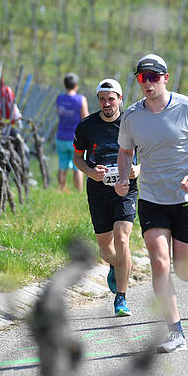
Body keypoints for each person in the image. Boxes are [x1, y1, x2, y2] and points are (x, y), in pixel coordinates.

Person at [115, 54, 188, 353]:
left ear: (165, 78)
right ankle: (175, 332)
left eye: (153, 77)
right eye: (142, 78)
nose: (147, 83)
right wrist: (124, 178)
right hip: (152, 198)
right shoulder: (133, 116)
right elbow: (125, 151)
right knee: (159, 262)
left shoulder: (187, 108)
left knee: (185, 268)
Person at [72, 79, 139, 317]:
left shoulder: (132, 123)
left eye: (111, 99)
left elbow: (148, 153)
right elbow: (77, 157)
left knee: (122, 239)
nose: (106, 103)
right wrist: (90, 172)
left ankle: (121, 298)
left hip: (125, 191)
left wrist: (138, 170)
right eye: (102, 99)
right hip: (98, 193)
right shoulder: (86, 126)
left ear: (120, 99)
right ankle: (114, 264)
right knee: (106, 250)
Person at [55, 73, 89, 192]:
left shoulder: (60, 98)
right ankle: (78, 191)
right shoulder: (81, 99)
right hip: (75, 138)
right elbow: (85, 118)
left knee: (62, 165)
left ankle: (61, 188)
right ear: (76, 85)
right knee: (78, 166)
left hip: (60, 136)